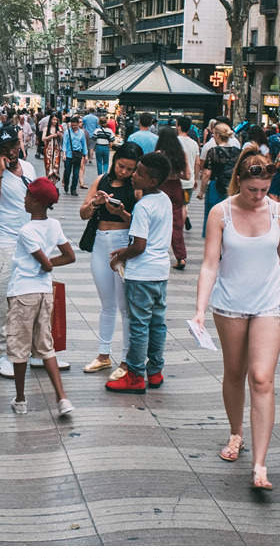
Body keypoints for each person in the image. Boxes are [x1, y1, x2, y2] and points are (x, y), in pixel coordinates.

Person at [193, 146, 280, 491]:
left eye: (264, 190)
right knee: (235, 372)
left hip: (271, 303)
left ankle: (260, 465)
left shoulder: (279, 212)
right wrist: (200, 310)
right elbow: (210, 264)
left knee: (261, 378)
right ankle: (236, 433)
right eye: (251, 189)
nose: (258, 196)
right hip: (229, 303)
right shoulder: (221, 212)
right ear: (239, 181)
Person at [6, 176, 76, 417]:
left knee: (20, 347)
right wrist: (47, 264)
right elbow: (69, 256)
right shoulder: (54, 225)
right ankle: (62, 398)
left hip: (22, 293)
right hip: (45, 293)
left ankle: (20, 399)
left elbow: (45, 265)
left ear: (36, 202)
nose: (24, 199)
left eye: (27, 196)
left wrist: (45, 264)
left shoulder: (26, 231)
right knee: (46, 345)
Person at [105, 151, 173, 394]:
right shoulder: (164, 199)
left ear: (152, 181)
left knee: (139, 326)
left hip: (141, 275)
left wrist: (120, 256)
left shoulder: (143, 205)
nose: (133, 175)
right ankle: (155, 372)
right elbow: (149, 233)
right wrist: (123, 214)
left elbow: (140, 246)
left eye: (139, 173)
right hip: (160, 273)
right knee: (157, 324)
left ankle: (134, 375)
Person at [0, 126, 41, 378]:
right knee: (2, 302)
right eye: (4, 148)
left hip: (30, 244)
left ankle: (36, 350)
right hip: (2, 246)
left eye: (13, 145)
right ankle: (1, 354)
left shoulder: (29, 168)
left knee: (33, 299)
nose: (11, 152)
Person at [79, 142, 143, 377]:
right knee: (107, 304)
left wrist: (121, 212)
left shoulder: (137, 188)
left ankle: (126, 360)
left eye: (130, 169)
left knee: (125, 307)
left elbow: (140, 224)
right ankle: (103, 355)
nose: (124, 172)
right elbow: (83, 213)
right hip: (99, 242)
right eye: (120, 166)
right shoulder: (101, 180)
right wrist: (95, 203)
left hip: (123, 245)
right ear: (115, 161)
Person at [155, 125, 190, 271]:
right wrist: (175, 174)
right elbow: (187, 176)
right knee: (177, 222)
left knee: (159, 221)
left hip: (162, 187)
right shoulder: (181, 154)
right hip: (176, 187)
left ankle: (158, 253)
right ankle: (181, 257)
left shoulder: (158, 154)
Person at [198, 122, 241, 240]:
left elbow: (206, 173)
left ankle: (212, 238)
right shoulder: (237, 151)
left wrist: (201, 191)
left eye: (214, 134)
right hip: (232, 187)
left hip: (215, 186)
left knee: (213, 214)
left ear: (217, 135)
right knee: (231, 214)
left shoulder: (213, 151)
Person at [176, 117, 201, 232]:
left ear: (179, 127)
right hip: (188, 181)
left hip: (176, 180)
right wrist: (195, 179)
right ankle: (180, 229)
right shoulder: (194, 143)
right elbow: (198, 163)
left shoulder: (175, 141)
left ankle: (174, 227)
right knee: (184, 205)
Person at [62, 116, 88, 196]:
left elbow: (84, 144)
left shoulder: (81, 133)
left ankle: (73, 189)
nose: (73, 127)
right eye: (72, 125)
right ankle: (66, 184)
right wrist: (64, 154)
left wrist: (85, 155)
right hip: (68, 155)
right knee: (67, 172)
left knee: (76, 173)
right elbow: (64, 143)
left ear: (78, 124)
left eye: (75, 125)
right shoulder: (67, 132)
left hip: (77, 155)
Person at [42, 112, 63, 182]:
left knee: (56, 166)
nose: (55, 121)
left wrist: (60, 135)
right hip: (48, 150)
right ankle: (49, 182)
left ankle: (53, 183)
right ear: (50, 120)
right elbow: (43, 138)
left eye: (56, 120)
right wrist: (52, 136)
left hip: (56, 150)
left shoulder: (59, 128)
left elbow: (62, 140)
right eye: (53, 119)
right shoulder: (46, 128)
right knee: (48, 166)